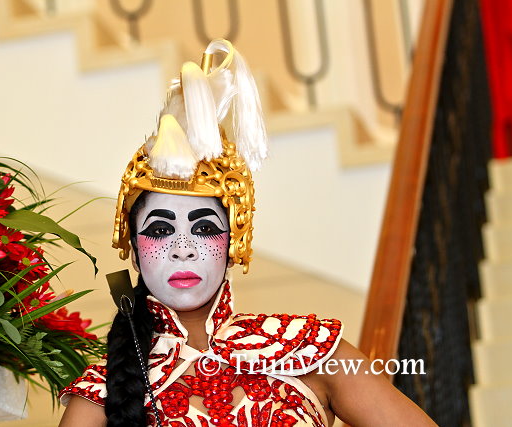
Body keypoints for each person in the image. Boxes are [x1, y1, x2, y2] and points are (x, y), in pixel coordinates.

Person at [58, 39, 436, 427]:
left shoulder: (311, 349)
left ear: (233, 239)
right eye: (160, 230)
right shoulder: (101, 392)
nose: (183, 248)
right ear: (134, 248)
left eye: (204, 228)